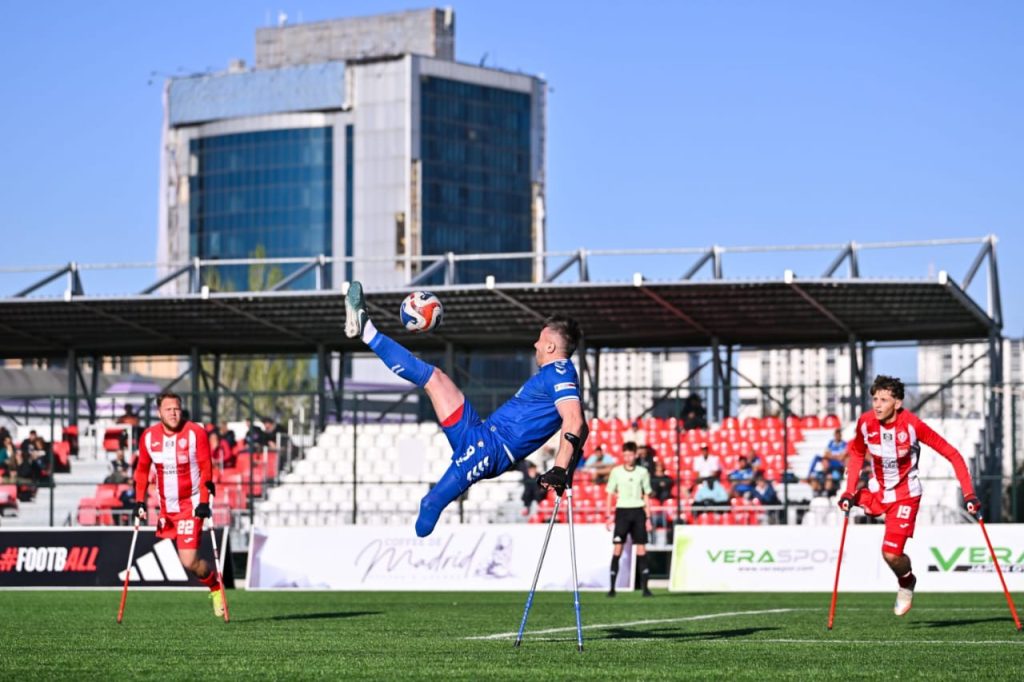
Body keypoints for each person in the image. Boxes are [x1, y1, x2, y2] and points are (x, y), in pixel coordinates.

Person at [344, 281, 586, 537]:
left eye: (540, 340)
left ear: (550, 347)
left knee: (430, 505)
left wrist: (560, 467)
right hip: (480, 431)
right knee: (434, 377)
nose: (535, 345)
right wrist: (569, 466)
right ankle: (366, 329)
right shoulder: (555, 374)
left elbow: (575, 420)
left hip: (493, 449)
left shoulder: (560, 373)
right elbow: (583, 427)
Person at [837, 375, 978, 617]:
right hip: (878, 491)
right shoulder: (865, 422)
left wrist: (969, 494)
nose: (877, 405)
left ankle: (906, 582)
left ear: (898, 403)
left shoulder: (913, 425)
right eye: (874, 399)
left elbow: (953, 454)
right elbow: (857, 454)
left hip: (905, 496)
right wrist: (849, 490)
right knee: (845, 501)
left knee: (891, 553)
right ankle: (856, 499)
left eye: (883, 399)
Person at [133, 391, 226, 617]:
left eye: (177, 409)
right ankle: (212, 584)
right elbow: (142, 470)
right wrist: (139, 501)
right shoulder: (148, 437)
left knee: (188, 560)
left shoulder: (196, 433)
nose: (174, 414)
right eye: (168, 409)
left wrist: (204, 502)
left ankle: (215, 588)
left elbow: (206, 467)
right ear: (159, 412)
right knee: (188, 562)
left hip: (191, 504)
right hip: (167, 507)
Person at [604, 444, 653, 597]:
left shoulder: (643, 472)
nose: (628, 458)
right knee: (617, 547)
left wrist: (648, 517)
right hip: (622, 512)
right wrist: (608, 515)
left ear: (635, 455)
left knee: (641, 549)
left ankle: (645, 588)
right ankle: (612, 588)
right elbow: (610, 494)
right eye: (625, 455)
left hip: (638, 511)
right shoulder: (616, 472)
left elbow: (646, 494)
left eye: (630, 455)